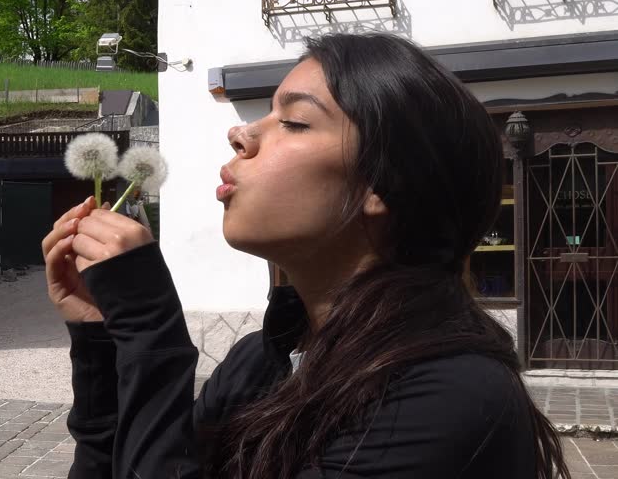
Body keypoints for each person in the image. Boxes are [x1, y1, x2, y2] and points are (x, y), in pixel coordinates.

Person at [41, 33, 569, 479]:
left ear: (383, 183)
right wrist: (102, 340)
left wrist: (151, 332)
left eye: (294, 122)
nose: (240, 132)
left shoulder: (449, 397)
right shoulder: (261, 362)